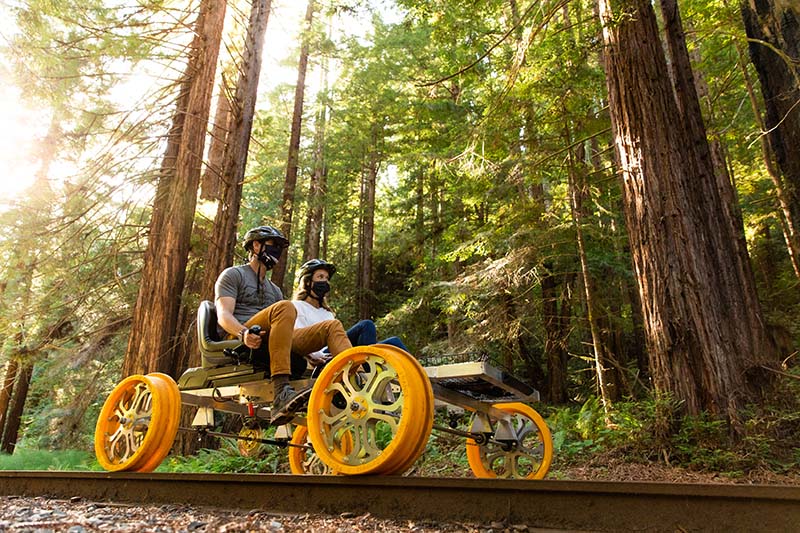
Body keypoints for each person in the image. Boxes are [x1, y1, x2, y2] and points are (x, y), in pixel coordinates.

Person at [214, 226, 352, 424]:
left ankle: (351, 381)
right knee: (285, 307)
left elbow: (284, 330)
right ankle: (281, 391)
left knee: (332, 326)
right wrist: (243, 333)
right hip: (241, 336)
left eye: (280, 247)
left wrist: (309, 354)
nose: (277, 252)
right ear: (255, 245)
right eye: (273, 246)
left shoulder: (275, 290)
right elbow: (223, 315)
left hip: (271, 338)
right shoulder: (233, 275)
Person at [291, 258, 410, 354]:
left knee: (394, 343)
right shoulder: (297, 306)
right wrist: (314, 358)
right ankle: (368, 367)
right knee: (366, 325)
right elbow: (297, 341)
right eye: (320, 277)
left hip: (338, 351)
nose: (325, 281)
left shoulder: (327, 313)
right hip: (322, 356)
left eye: (327, 278)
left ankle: (422, 377)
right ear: (307, 282)